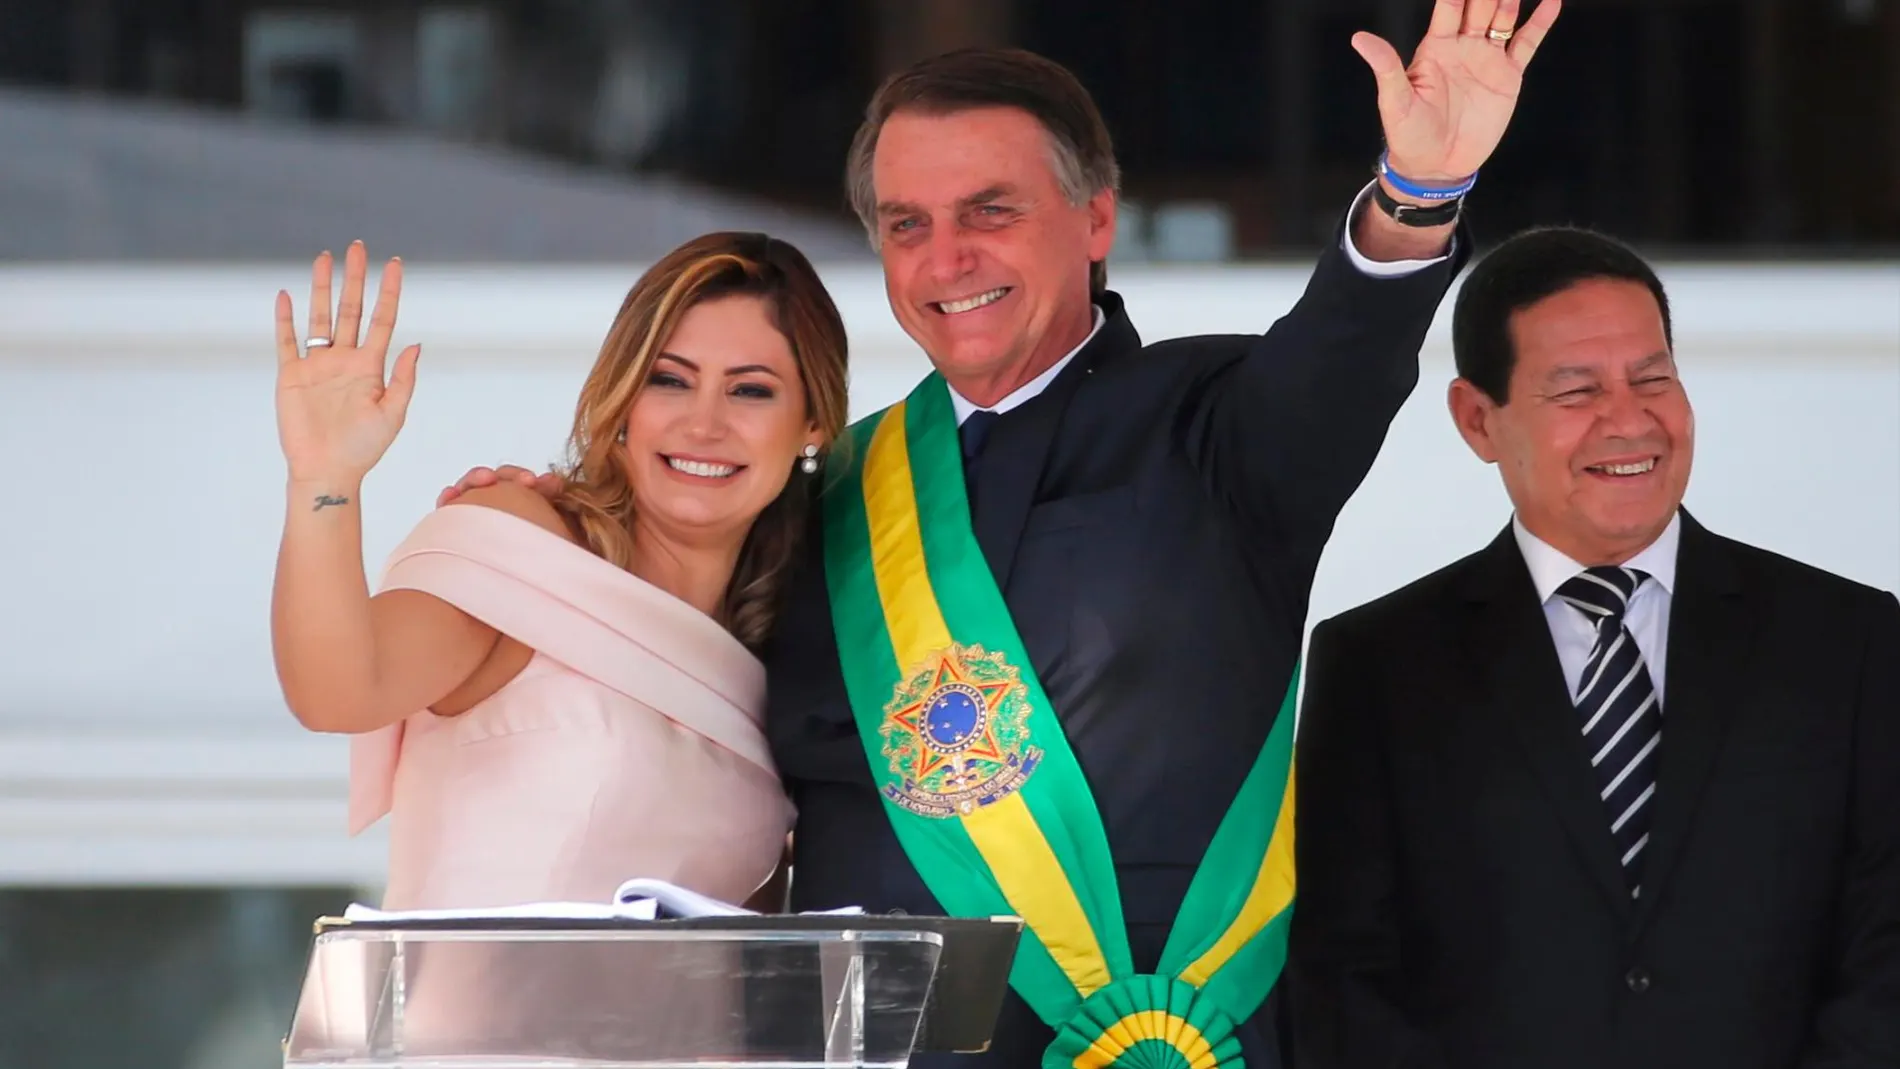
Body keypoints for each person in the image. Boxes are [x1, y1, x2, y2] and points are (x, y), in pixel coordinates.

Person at [442, 2, 1560, 1063]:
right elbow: (656, 623)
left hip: (1158, 1043)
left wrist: (1418, 189)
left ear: (1096, 219)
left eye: (990, 211)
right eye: (907, 226)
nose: (947, 260)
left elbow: (1343, 348)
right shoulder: (821, 494)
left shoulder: (1219, 427)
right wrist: (542, 519)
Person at [1288, 226, 1900, 1069]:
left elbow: (1886, 949)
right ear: (1477, 418)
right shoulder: (1378, 665)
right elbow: (1344, 977)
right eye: (1576, 391)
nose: (1629, 419)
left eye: (1653, 378)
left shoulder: (1849, 640)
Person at [272, 231, 849, 913]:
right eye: (669, 380)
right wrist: (324, 479)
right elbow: (337, 691)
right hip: (459, 1019)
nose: (704, 423)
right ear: (624, 403)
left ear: (812, 423)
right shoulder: (522, 545)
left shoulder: (795, 647)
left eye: (750, 391)